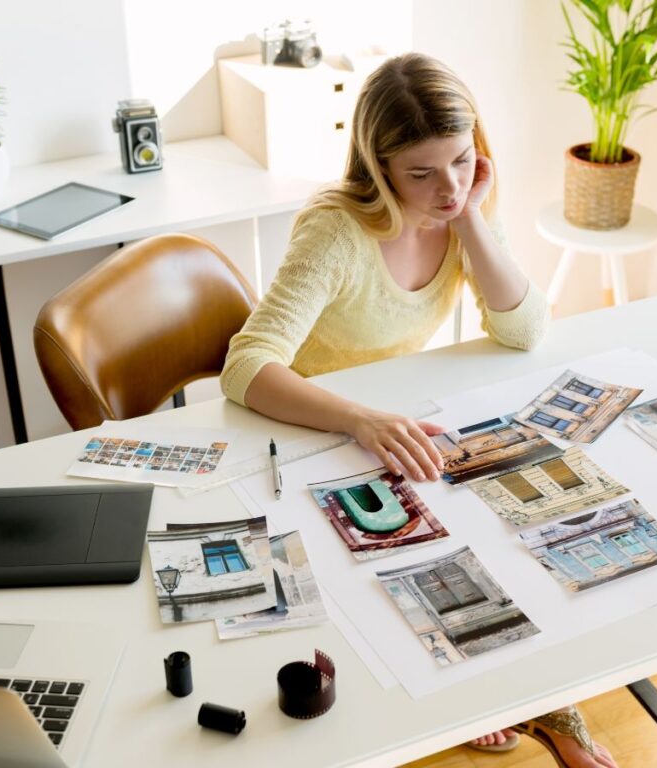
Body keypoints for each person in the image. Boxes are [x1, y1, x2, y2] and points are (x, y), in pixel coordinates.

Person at [220, 52, 617, 768]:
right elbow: (245, 367)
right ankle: (503, 696)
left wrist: (471, 221)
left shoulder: (460, 208)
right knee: (429, 554)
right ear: (378, 168)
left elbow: (522, 329)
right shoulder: (336, 232)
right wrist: (359, 419)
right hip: (312, 430)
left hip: (394, 426)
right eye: (422, 173)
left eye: (462, 161)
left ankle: (537, 694)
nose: (449, 187)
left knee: (510, 520)